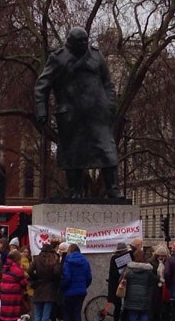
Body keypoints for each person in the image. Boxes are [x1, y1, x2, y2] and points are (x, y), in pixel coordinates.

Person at [34, 26, 124, 199]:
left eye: (86, 40)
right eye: (80, 41)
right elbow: (41, 86)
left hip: (98, 114)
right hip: (71, 116)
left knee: (107, 150)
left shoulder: (97, 55)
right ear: (70, 42)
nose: (84, 44)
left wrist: (110, 106)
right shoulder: (58, 59)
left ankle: (113, 189)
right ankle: (75, 191)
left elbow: (108, 83)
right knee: (72, 153)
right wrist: (41, 110)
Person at [28, 244, 62, 321]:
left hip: (39, 288)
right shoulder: (53, 259)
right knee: (46, 314)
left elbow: (29, 271)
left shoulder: (37, 259)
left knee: (38, 313)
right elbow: (56, 273)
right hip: (50, 289)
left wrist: (36, 278)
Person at [60, 244, 92, 321]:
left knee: (67, 313)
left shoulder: (67, 262)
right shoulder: (85, 261)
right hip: (81, 292)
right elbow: (89, 277)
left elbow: (67, 277)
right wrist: (83, 286)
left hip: (69, 292)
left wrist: (62, 287)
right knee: (77, 313)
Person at [122, 250, 157, 321]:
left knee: (133, 312)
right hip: (144, 295)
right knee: (144, 312)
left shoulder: (129, 269)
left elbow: (121, 280)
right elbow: (153, 281)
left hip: (131, 295)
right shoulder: (148, 270)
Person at [0, 249, 29, 321]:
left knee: (5, 315)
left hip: (5, 294)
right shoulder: (17, 269)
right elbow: (23, 282)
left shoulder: (5, 267)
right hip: (14, 294)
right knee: (13, 316)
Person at [107, 242, 132, 321]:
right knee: (119, 307)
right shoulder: (117, 258)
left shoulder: (113, 258)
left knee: (118, 307)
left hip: (117, 286)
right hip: (119, 286)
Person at [149, 245, 171, 321]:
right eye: (160, 256)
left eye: (163, 256)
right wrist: (158, 279)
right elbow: (150, 275)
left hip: (165, 287)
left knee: (166, 307)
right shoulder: (151, 262)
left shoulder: (168, 262)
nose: (161, 258)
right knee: (155, 307)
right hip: (155, 288)